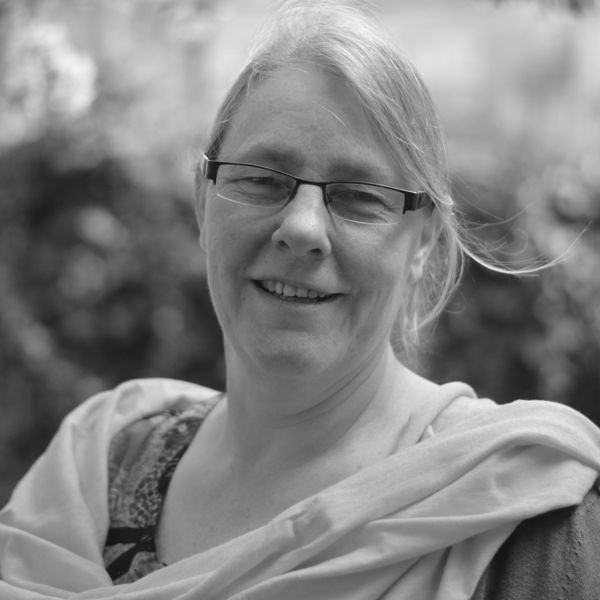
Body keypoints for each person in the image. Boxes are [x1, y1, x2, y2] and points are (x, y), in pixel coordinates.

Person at [1, 1, 600, 599]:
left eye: (359, 195)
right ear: (204, 203)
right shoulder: (100, 466)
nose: (303, 228)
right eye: (261, 179)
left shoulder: (521, 515)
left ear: (423, 243)